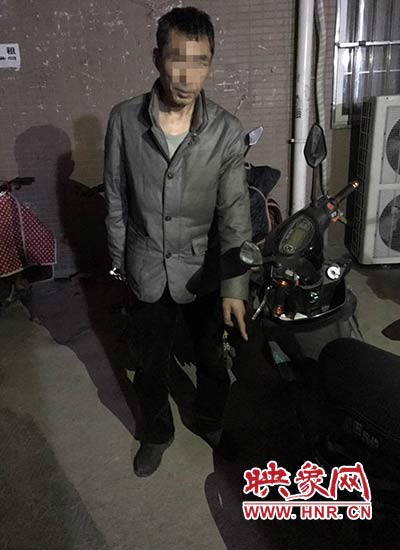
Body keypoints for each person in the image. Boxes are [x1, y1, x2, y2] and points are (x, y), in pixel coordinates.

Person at [103, 6, 252, 477]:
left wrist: (235, 287)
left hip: (202, 268)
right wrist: (120, 263)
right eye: (177, 59)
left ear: (211, 63)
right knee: (150, 364)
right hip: (145, 264)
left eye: (201, 61)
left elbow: (234, 213)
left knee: (212, 358)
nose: (188, 76)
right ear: (157, 58)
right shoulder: (124, 120)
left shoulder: (226, 131)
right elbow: (115, 197)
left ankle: (210, 421)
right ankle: (157, 433)